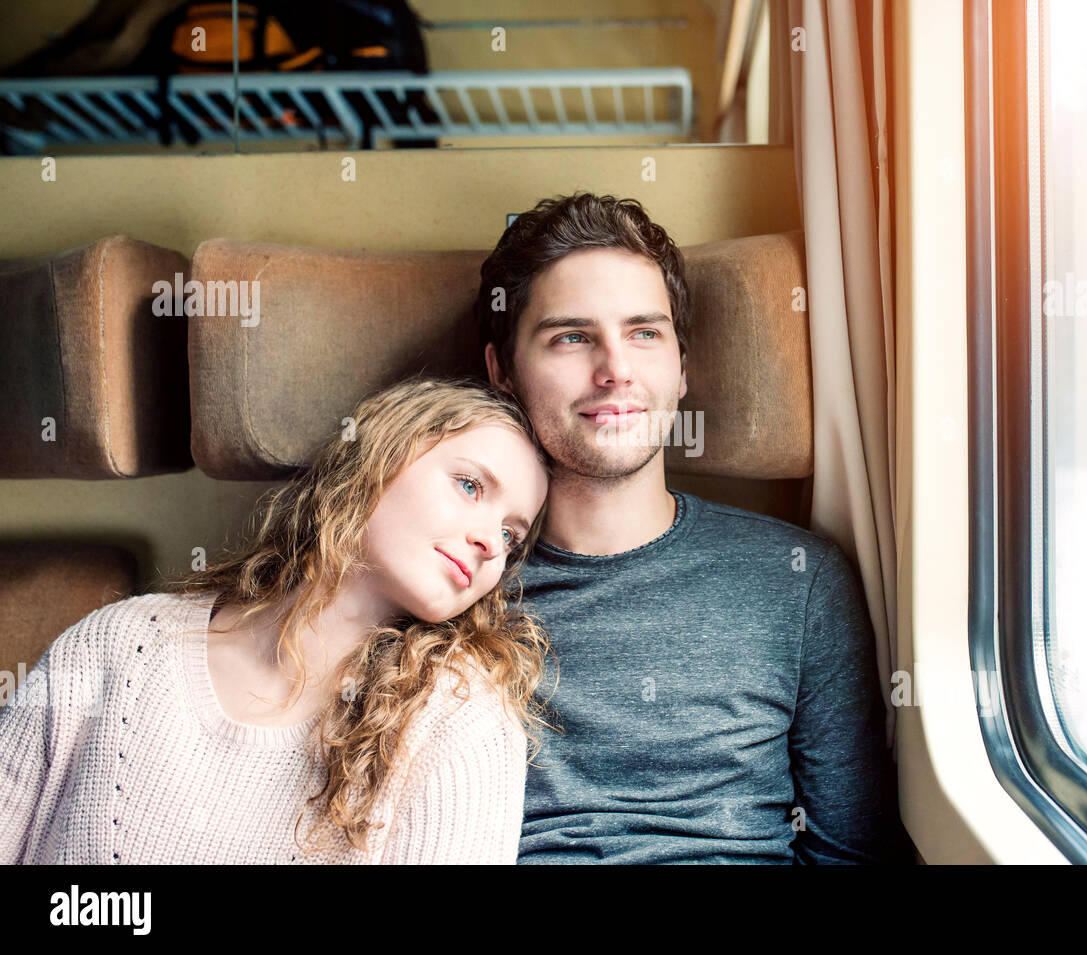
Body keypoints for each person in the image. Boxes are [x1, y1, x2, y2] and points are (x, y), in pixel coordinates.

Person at [477, 192, 908, 863]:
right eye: (571, 336)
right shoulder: (453, 579)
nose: (615, 368)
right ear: (502, 370)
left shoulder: (797, 579)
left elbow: (850, 853)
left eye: (644, 333)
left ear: (681, 369)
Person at [0, 377, 552, 864]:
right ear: (380, 457)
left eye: (511, 536)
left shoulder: (464, 720)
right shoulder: (116, 643)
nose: (490, 545)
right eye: (469, 485)